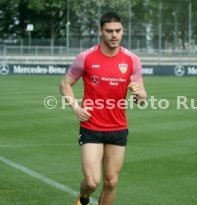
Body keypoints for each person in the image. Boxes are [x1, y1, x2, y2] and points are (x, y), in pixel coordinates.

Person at [59, 11, 147, 205]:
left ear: (123, 31)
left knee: (111, 181)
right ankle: (83, 198)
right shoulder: (86, 57)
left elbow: (142, 98)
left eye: (118, 31)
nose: (114, 35)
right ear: (101, 31)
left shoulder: (132, 60)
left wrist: (139, 95)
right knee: (91, 182)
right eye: (109, 31)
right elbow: (65, 84)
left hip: (118, 127)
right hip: (91, 126)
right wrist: (76, 108)